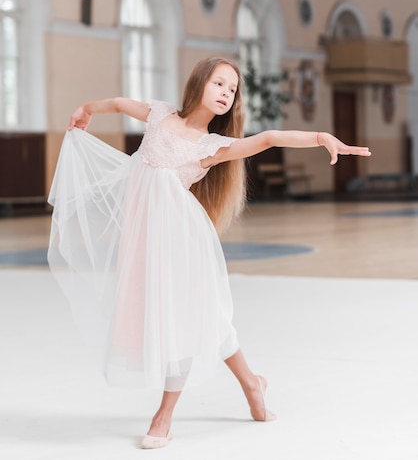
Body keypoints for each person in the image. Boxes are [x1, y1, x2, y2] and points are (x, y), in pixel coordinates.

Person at [48, 56, 371, 450]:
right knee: (209, 320)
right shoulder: (159, 116)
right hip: (146, 241)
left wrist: (320, 137)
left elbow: (268, 138)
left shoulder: (213, 146)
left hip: (181, 241)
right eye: (219, 84)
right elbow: (117, 102)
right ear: (199, 83)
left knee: (179, 324)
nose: (225, 94)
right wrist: (86, 110)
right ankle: (253, 383)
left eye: (232, 90)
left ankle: (163, 416)